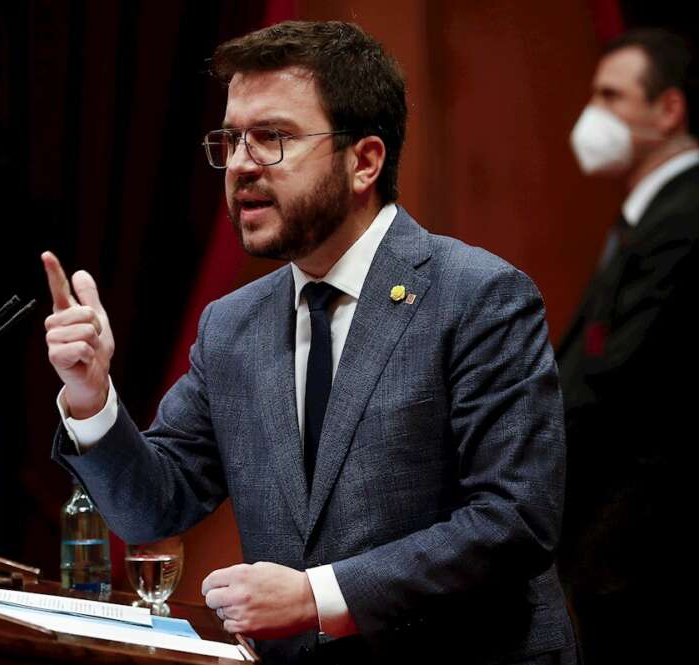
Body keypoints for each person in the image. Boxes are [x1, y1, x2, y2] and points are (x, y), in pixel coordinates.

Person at [43, 21, 574, 664]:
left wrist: (316, 598)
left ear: (365, 161)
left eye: (273, 138)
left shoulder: (478, 297)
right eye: (232, 139)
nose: (241, 164)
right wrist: (93, 396)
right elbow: (154, 506)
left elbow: (513, 522)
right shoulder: (233, 325)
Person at [559, 28, 699, 664]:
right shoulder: (650, 213)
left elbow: (621, 370)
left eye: (612, 96)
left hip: (646, 525)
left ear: (667, 110)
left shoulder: (685, 215)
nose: (593, 114)